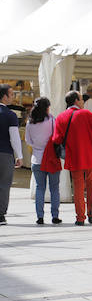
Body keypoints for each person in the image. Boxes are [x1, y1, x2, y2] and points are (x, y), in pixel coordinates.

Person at [52, 91, 92, 225]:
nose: (83, 102)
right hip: (90, 157)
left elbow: (56, 139)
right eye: (82, 99)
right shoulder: (86, 114)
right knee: (91, 187)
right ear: (76, 101)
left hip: (74, 158)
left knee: (78, 188)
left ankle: (80, 218)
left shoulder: (60, 117)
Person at [25, 97, 61, 224]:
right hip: (51, 158)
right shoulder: (51, 120)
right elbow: (57, 138)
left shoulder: (30, 123)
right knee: (54, 188)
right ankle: (55, 216)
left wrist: (37, 146)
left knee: (40, 188)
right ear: (47, 108)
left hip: (37, 159)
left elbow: (28, 141)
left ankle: (40, 217)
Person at [0, 85, 23, 226]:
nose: (13, 97)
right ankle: (0, 215)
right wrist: (19, 156)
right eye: (11, 94)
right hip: (5, 154)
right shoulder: (10, 115)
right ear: (4, 96)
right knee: (3, 185)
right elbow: (14, 138)